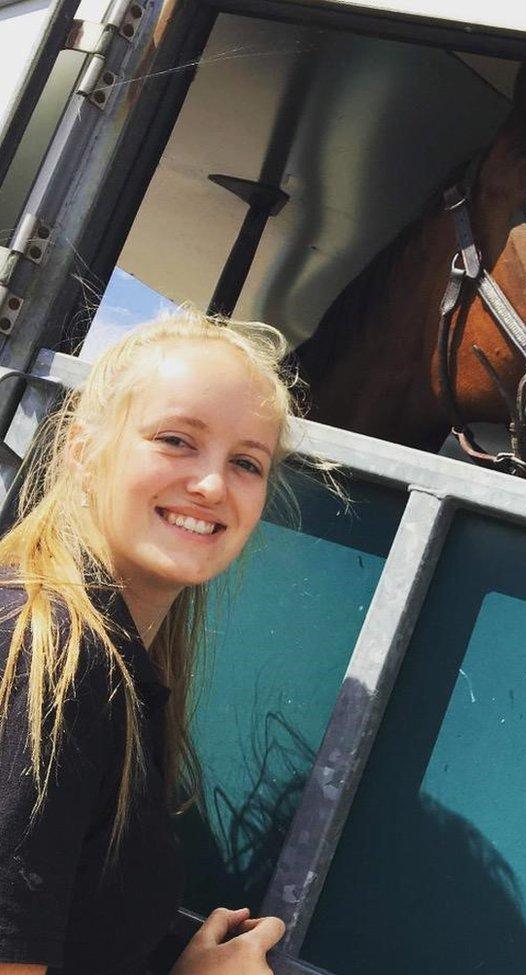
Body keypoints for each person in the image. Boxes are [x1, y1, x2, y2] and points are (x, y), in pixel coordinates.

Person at [0, 310, 328, 974]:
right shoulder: (48, 652)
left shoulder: (114, 660)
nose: (211, 485)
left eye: (245, 462)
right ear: (84, 449)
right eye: (176, 439)